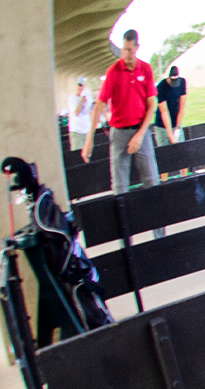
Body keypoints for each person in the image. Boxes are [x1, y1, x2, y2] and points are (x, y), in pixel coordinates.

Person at [83, 29, 165, 238]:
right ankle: (126, 241)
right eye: (123, 50)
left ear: (136, 48)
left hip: (141, 131)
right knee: (119, 186)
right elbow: (101, 103)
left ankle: (159, 237)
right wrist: (89, 138)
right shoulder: (113, 71)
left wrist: (139, 135)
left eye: (129, 50)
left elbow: (152, 105)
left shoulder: (145, 70)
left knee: (151, 181)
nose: (126, 54)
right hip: (118, 134)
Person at [154, 65, 187, 148]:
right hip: (162, 126)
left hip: (176, 122)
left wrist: (178, 128)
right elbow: (164, 112)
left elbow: (181, 107)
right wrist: (170, 135)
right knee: (165, 154)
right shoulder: (161, 87)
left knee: (180, 151)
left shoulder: (182, 82)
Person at [66, 77, 93, 155]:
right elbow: (76, 112)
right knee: (77, 155)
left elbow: (91, 111)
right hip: (76, 132)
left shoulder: (87, 98)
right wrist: (81, 99)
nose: (80, 87)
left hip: (86, 131)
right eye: (79, 85)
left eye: (82, 86)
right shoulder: (72, 98)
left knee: (88, 154)